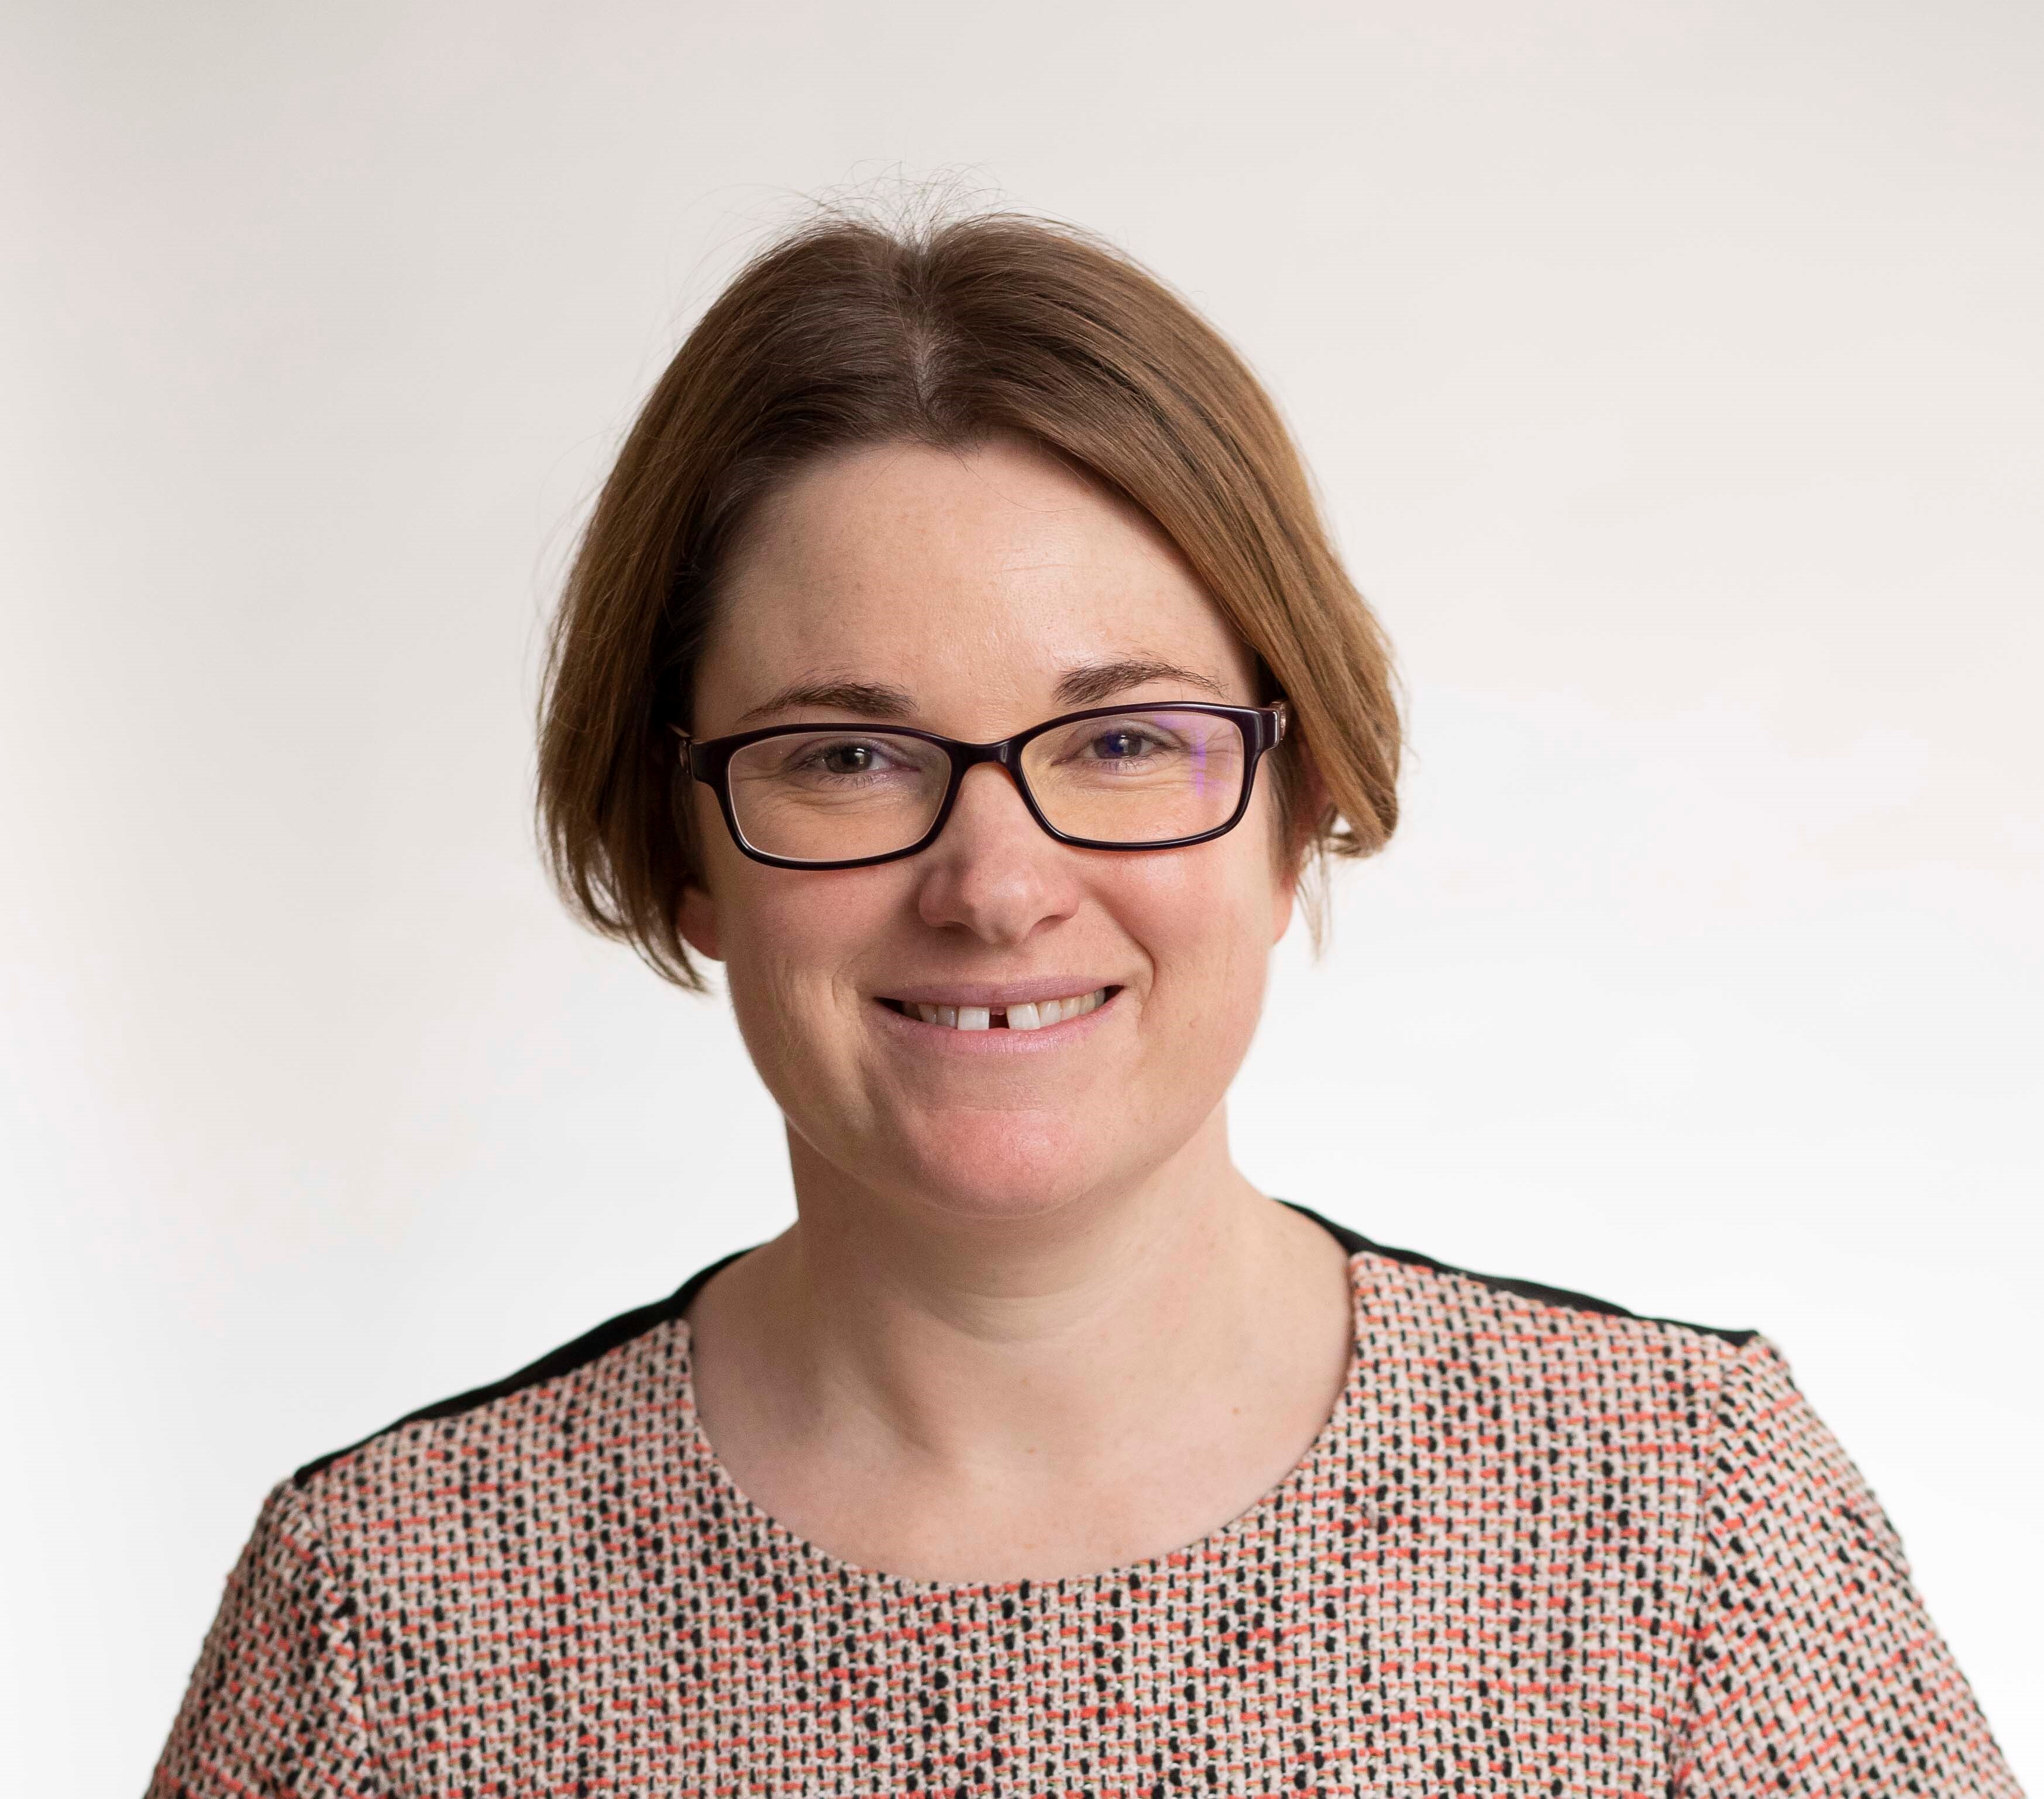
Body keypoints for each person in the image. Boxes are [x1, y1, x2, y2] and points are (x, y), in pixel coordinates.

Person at [150, 210, 2021, 1798]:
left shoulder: (1683, 1521)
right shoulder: (381, 1623)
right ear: (686, 841)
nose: (995, 879)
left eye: (1124, 737)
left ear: (1301, 806)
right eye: (849, 753)